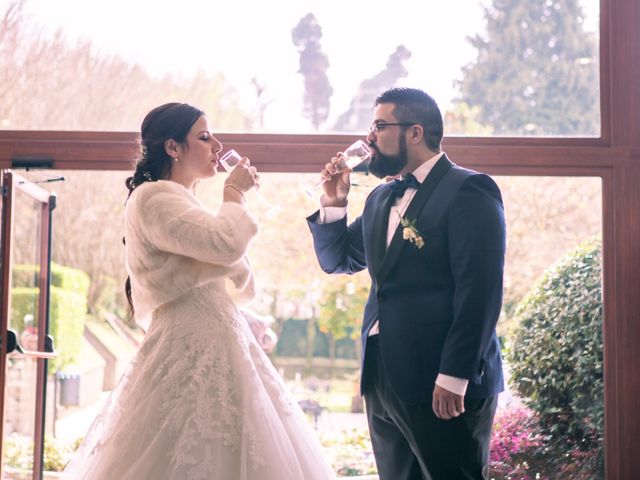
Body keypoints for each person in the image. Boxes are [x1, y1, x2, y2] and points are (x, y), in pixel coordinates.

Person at [64, 102, 335, 480]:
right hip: (191, 344)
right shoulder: (154, 197)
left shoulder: (181, 201)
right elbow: (225, 246)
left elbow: (229, 265)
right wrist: (234, 193)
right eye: (205, 137)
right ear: (173, 148)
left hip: (220, 339)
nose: (217, 146)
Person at [307, 88, 506, 480]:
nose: (369, 138)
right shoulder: (380, 198)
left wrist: (455, 375)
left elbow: (480, 292)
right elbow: (339, 261)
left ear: (415, 132)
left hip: (443, 381)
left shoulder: (470, 190)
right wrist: (334, 204)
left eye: (379, 126)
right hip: (381, 375)